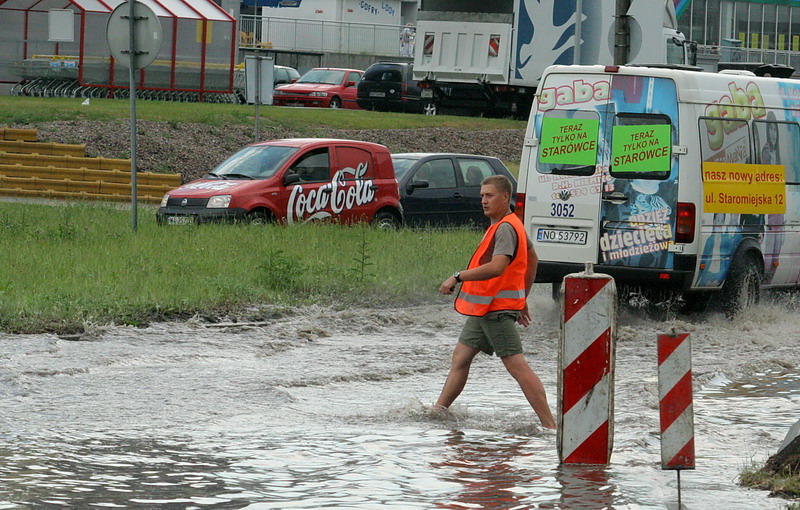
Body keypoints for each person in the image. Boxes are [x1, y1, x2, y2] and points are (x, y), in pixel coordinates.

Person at [435, 175, 556, 430]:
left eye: (489, 195)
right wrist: (522, 297)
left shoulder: (504, 228)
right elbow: (532, 259)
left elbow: (498, 266)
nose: (483, 200)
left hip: (496, 310)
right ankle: (438, 412)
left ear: (504, 197)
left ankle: (551, 426)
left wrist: (458, 277)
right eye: (481, 196)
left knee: (518, 367)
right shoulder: (513, 224)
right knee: (461, 358)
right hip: (486, 308)